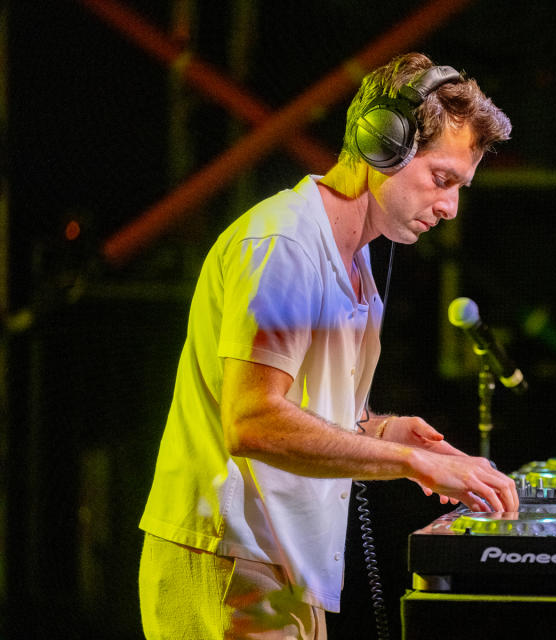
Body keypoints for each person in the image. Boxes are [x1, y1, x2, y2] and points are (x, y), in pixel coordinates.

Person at [138, 52, 519, 639]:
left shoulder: (359, 262)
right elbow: (254, 420)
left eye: (459, 188)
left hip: (282, 571)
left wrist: (387, 431)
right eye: (442, 180)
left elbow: (307, 417)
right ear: (382, 144)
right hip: (231, 559)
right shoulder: (286, 244)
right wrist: (408, 462)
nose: (449, 208)